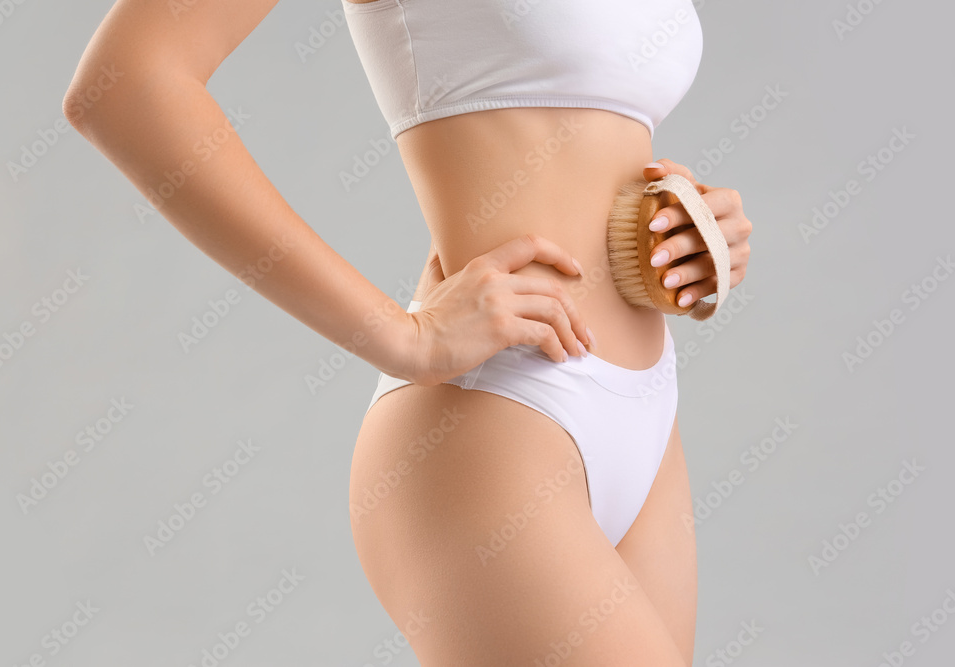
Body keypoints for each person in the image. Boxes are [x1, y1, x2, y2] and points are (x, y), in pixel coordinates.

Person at [63, 0, 752, 664]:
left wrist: (688, 227)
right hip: (501, 424)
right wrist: (404, 336)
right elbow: (126, 83)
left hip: (649, 415)